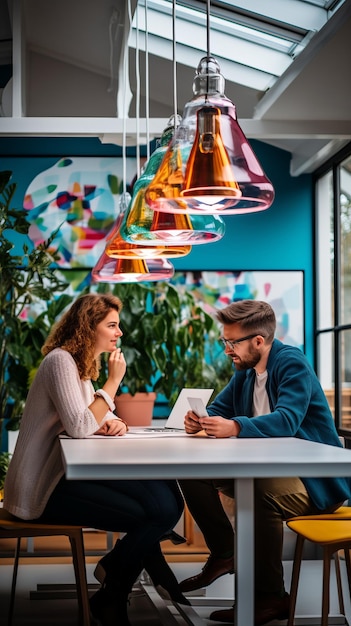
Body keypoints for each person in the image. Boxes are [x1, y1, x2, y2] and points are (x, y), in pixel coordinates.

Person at [4, 292, 187, 626]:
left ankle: (117, 578)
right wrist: (113, 383)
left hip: (63, 475)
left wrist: (107, 421)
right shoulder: (61, 361)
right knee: (157, 511)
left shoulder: (81, 365)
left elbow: (88, 418)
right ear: (89, 326)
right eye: (112, 325)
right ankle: (118, 584)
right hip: (41, 488)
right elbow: (78, 426)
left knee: (165, 501)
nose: (119, 333)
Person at [178, 299, 351, 625]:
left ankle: (272, 598)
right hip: (271, 474)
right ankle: (225, 554)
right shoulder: (245, 371)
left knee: (260, 493)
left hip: (317, 480)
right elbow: (219, 410)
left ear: (258, 341)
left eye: (232, 342)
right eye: (224, 341)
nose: (227, 349)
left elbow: (287, 420)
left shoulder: (291, 364)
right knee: (192, 473)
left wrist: (237, 427)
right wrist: (199, 421)